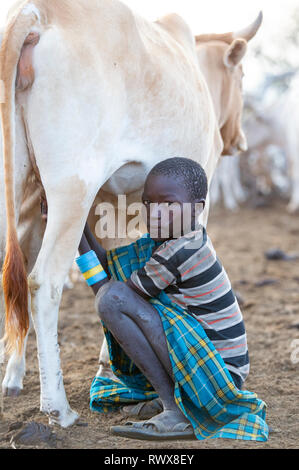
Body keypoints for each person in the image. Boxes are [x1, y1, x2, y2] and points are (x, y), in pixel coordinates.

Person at [75, 157, 268, 441]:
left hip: (216, 376)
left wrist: (76, 235)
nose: (155, 214)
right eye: (148, 203)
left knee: (111, 298)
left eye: (168, 205)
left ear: (197, 209)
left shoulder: (181, 251)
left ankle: (174, 408)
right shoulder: (177, 239)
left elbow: (112, 296)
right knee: (113, 295)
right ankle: (174, 400)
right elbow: (112, 272)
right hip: (208, 363)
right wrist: (77, 223)